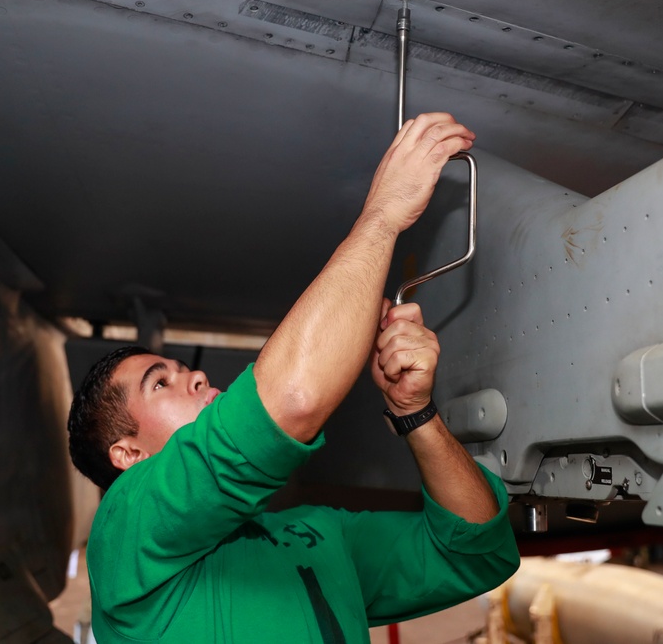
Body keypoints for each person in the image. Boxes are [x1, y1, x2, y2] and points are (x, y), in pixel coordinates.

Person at [67, 113, 521, 643]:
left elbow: (477, 554)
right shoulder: (126, 530)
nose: (193, 376)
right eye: (159, 382)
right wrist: (382, 217)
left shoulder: (316, 533)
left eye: (182, 369)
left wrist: (413, 412)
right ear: (128, 455)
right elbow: (292, 402)